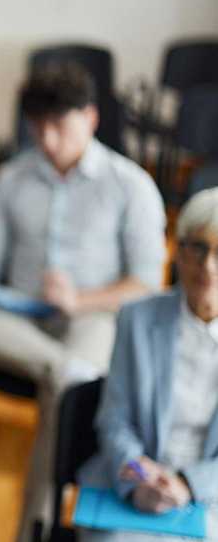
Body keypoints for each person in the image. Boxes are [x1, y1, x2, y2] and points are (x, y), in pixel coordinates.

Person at [0, 61, 168, 542]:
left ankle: (30, 533)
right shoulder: (10, 179)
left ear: (91, 118)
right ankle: (62, 369)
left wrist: (79, 298)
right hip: (17, 319)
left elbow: (146, 284)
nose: (48, 140)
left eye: (59, 126)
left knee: (64, 391)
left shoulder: (130, 185)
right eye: (39, 127)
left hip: (90, 318)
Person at [77, 187, 218, 541]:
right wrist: (138, 479)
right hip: (132, 483)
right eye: (197, 247)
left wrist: (188, 483)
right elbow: (114, 419)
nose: (208, 266)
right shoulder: (136, 319)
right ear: (178, 251)